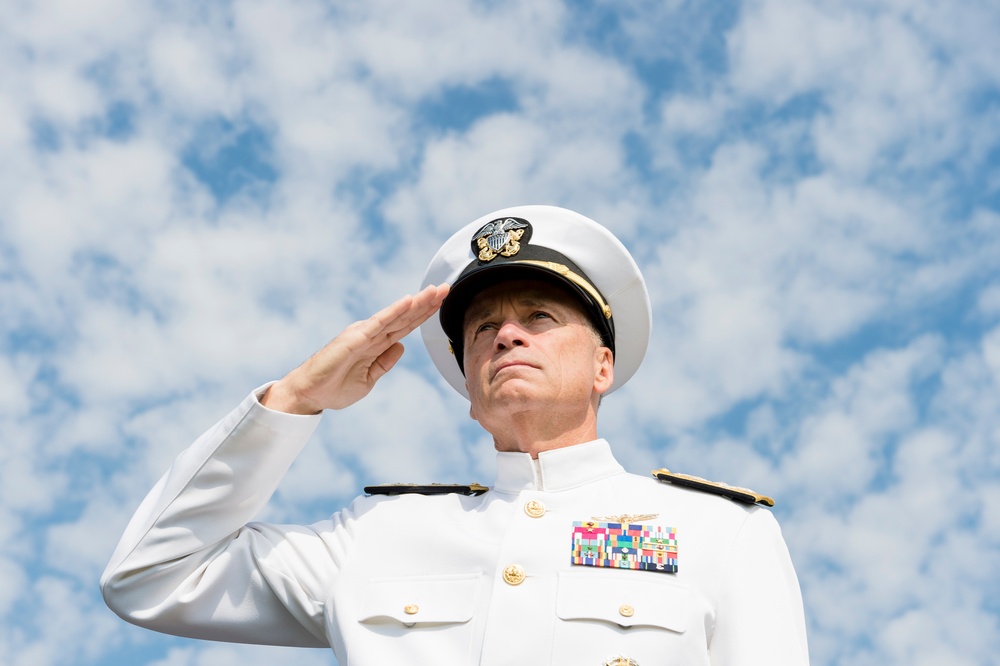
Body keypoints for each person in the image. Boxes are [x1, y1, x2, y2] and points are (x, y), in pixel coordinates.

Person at [102, 205, 809, 665]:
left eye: (539, 317)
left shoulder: (718, 530)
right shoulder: (378, 533)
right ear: (469, 385)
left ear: (603, 366)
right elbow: (148, 578)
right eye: (482, 328)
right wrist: (294, 400)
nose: (506, 334)